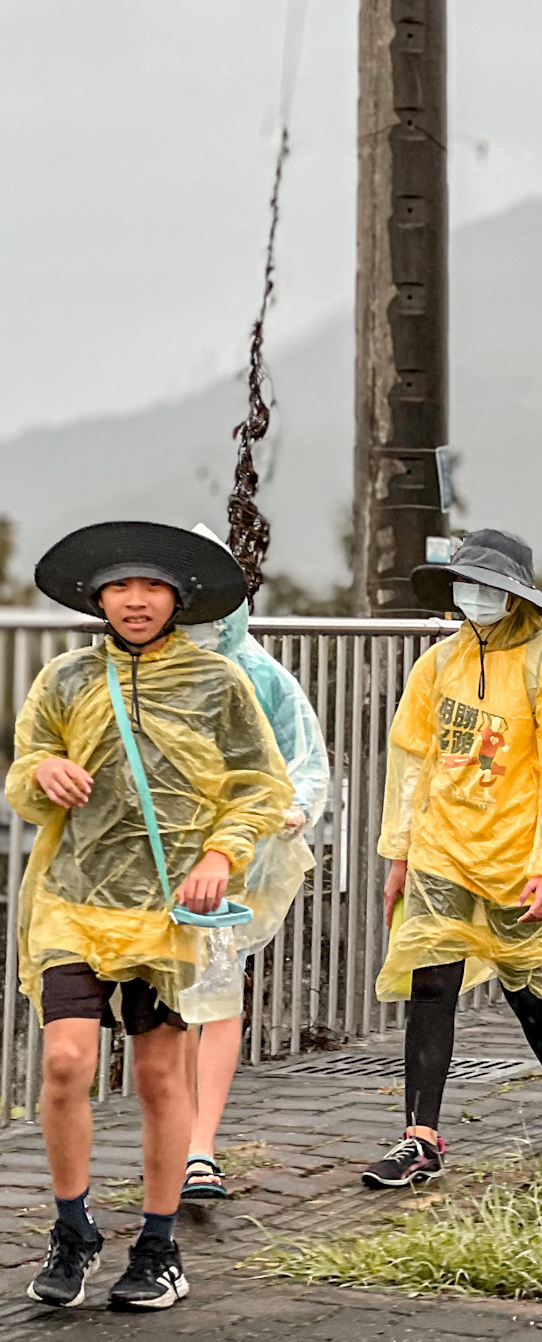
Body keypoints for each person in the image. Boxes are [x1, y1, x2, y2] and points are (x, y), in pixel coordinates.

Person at [11, 522, 293, 1309]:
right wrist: (46, 769)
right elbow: (23, 777)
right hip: (74, 899)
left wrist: (218, 857)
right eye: (120, 587)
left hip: (172, 912)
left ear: (179, 599)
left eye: (152, 587)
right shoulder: (65, 680)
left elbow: (260, 787)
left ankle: (159, 1246)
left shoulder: (218, 684)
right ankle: (73, 1231)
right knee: (66, 1062)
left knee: (159, 1073)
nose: (136, 601)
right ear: (97, 598)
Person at [367, 531, 542, 1189]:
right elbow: (413, 760)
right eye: (467, 585)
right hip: (443, 847)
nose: (476, 599)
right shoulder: (438, 664)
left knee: (528, 987)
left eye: (490, 588)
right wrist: (400, 854)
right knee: (430, 981)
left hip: (516, 857)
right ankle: (419, 1137)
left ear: (516, 596)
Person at [179, 528, 329, 1203]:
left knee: (214, 992)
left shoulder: (261, 675)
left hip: (237, 857)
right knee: (167, 1000)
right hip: (159, 854)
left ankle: (199, 1147)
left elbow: (304, 762)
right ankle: (176, 1137)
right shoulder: (148, 670)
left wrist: (292, 811)